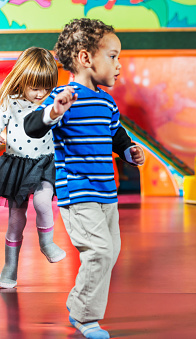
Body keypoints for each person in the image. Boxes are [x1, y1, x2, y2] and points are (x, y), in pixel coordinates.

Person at [24, 18, 145, 339]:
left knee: (112, 251)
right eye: (113, 56)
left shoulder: (106, 101)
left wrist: (129, 150)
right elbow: (33, 126)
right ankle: (84, 315)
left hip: (108, 192)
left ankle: (82, 307)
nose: (119, 64)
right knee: (100, 252)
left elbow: (116, 134)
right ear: (86, 58)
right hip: (77, 192)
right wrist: (53, 112)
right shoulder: (64, 96)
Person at [0, 47, 66, 289]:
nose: (40, 93)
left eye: (46, 87)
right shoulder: (10, 101)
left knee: (42, 202)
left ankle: (46, 243)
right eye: (35, 87)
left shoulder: (51, 102)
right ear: (23, 79)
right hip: (17, 164)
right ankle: (10, 267)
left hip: (44, 163)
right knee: (16, 220)